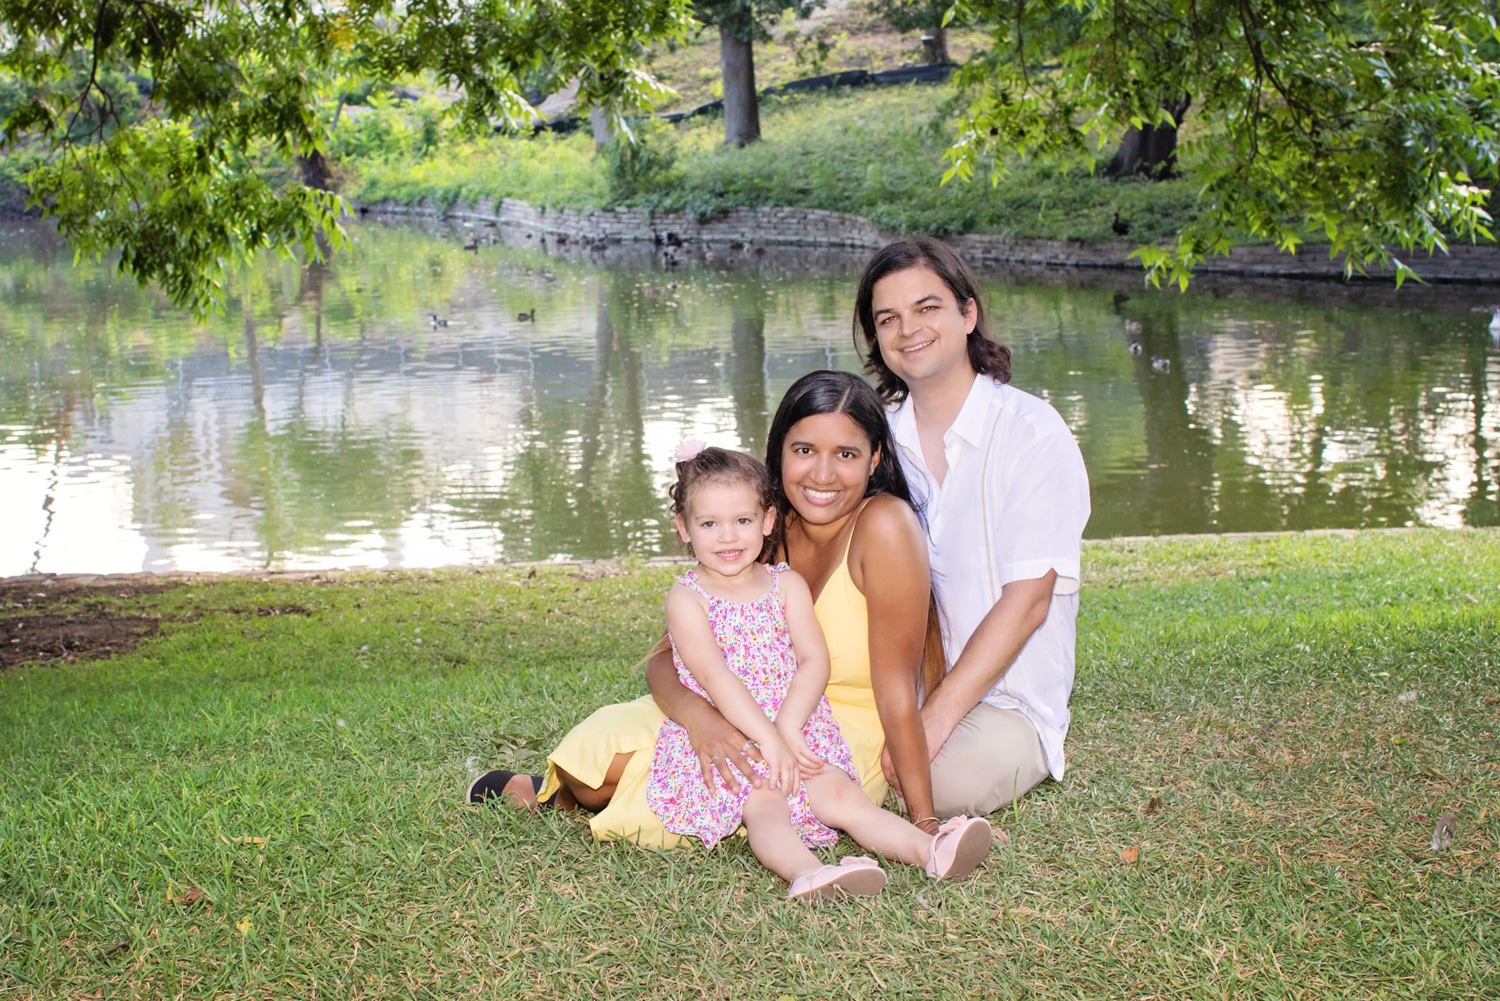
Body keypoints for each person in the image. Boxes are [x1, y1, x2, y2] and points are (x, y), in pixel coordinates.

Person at [469, 370, 945, 847]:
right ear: (779, 451)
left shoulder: (884, 525)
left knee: (625, 780)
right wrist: (703, 722)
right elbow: (663, 659)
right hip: (730, 704)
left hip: (824, 731)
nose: (822, 474)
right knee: (592, 756)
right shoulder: (753, 526)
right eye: (804, 451)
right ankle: (563, 794)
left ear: (875, 457)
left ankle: (552, 797)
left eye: (845, 454)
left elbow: (898, 690)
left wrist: (925, 820)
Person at [645, 443, 993, 899]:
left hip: (798, 722)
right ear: (684, 529)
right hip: (736, 735)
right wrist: (768, 740)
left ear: (767, 521)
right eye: (709, 524)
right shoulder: (686, 599)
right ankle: (808, 873)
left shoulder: (785, 583)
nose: (727, 537)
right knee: (766, 806)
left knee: (843, 795)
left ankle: (930, 850)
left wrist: (789, 727)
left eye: (742, 521)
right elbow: (716, 679)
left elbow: (814, 659)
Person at [854, 237, 1091, 818]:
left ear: (967, 313)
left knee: (929, 787)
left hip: (1005, 702)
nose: (908, 329)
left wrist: (933, 720)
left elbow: (1030, 601)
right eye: (889, 318)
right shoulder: (875, 440)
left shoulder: (1032, 432)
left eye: (927, 307)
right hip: (895, 687)